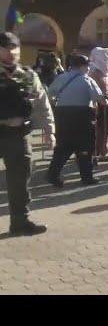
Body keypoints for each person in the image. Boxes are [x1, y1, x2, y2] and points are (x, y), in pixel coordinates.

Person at [0, 32, 55, 236]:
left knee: (20, 182)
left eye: (15, 47)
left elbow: (42, 104)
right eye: (6, 47)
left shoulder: (29, 76)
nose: (11, 52)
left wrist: (50, 131)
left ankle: (20, 223)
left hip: (18, 135)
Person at [46, 54, 108, 188]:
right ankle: (87, 177)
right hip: (82, 116)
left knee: (63, 146)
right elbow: (99, 99)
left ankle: (52, 174)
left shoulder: (61, 77)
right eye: (87, 66)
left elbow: (50, 93)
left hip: (62, 115)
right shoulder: (87, 80)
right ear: (83, 66)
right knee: (85, 147)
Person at [89, 47, 108, 162]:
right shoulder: (93, 71)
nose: (107, 59)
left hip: (106, 104)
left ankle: (103, 151)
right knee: (96, 130)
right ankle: (93, 153)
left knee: (104, 129)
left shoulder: (105, 71)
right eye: (105, 56)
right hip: (97, 105)